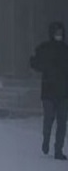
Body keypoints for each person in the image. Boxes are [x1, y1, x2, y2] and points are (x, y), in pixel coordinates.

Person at [30, 21, 68, 160]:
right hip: (49, 91)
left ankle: (58, 149)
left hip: (64, 92)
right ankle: (46, 139)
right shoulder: (44, 49)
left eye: (60, 33)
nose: (59, 35)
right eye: (56, 33)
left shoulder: (65, 50)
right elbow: (34, 62)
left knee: (62, 122)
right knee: (49, 119)